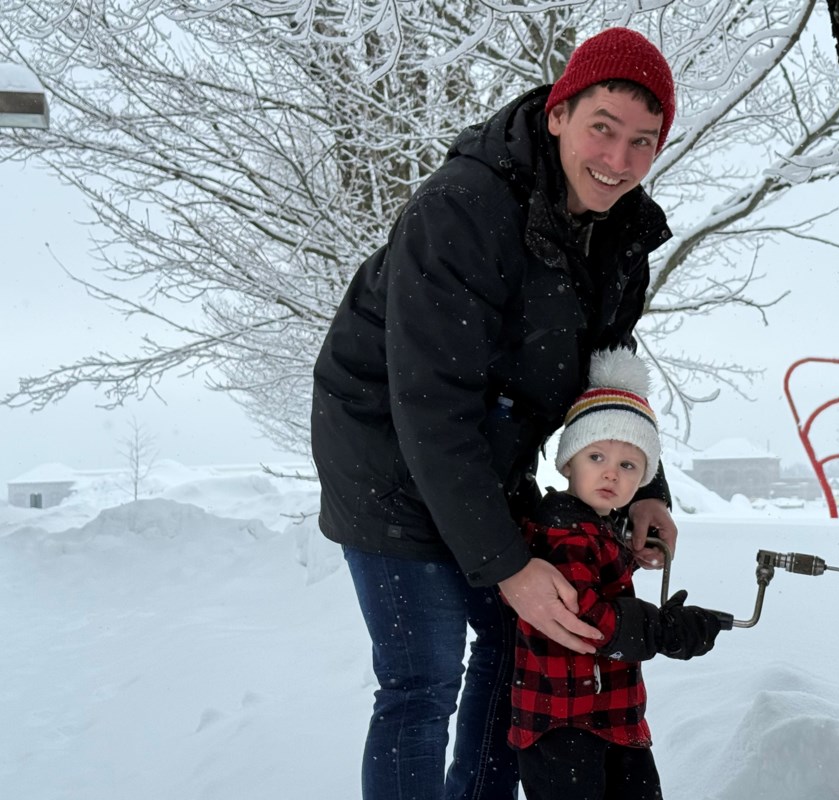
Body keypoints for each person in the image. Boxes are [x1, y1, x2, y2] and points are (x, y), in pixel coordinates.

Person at [310, 27, 680, 800]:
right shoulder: (463, 210)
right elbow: (431, 406)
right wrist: (507, 564)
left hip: (488, 454)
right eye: (602, 129)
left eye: (642, 142)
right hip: (385, 455)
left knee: (521, 647)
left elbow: (607, 375)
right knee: (424, 677)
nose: (617, 160)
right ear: (557, 114)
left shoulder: (622, 234)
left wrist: (648, 486)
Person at [508, 348, 725, 800]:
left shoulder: (597, 528)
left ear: (642, 478)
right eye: (596, 457)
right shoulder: (562, 530)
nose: (611, 473)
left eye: (628, 465)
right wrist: (661, 630)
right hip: (564, 726)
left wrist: (629, 560)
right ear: (568, 461)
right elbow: (583, 617)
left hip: (610, 716)